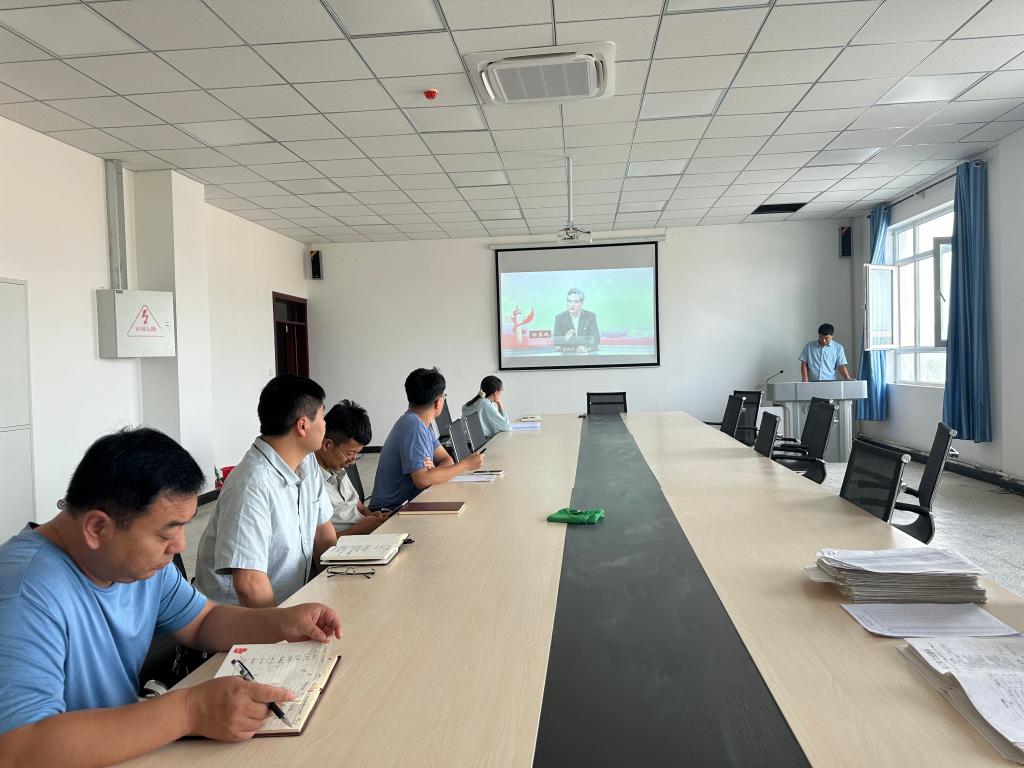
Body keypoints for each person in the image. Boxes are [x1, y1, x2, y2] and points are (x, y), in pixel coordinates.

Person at [0, 428, 342, 767]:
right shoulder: (23, 593)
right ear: (97, 528)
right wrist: (190, 710)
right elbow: (18, 748)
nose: (180, 546)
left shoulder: (131, 563)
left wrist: (280, 622)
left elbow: (202, 621)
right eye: (168, 532)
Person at [195, 374, 337, 608]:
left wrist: (337, 592)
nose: (325, 425)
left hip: (291, 602)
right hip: (240, 617)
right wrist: (280, 628)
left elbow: (323, 533)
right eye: (322, 416)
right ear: (302, 425)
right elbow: (249, 586)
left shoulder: (307, 461)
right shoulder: (251, 484)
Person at [371, 367, 484, 510]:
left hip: (410, 502)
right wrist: (465, 465)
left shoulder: (421, 423)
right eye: (443, 396)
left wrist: (433, 473)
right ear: (438, 402)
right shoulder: (414, 427)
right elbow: (423, 480)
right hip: (389, 511)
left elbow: (446, 459)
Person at [314, 400, 389, 536]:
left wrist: (371, 517)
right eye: (350, 453)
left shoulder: (337, 468)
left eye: (356, 454)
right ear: (327, 445)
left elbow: (359, 506)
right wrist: (360, 529)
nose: (353, 461)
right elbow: (318, 543)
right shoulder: (311, 482)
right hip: (346, 543)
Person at [552, 288, 600, 353]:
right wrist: (565, 338)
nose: (572, 305)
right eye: (570, 301)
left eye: (576, 302)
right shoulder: (559, 318)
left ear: (581, 303)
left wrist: (585, 348)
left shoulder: (590, 316)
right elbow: (556, 341)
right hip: (567, 355)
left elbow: (596, 338)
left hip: (586, 355)